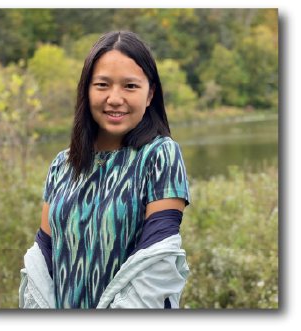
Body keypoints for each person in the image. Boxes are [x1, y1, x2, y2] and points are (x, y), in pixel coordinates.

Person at [19, 30, 191, 309]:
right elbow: (43, 259)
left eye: (130, 86)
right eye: (102, 85)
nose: (114, 98)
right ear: (86, 90)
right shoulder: (61, 166)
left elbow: (156, 259)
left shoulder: (159, 155)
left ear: (150, 95)